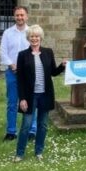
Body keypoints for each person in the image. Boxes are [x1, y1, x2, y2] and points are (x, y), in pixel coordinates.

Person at [14, 25, 66, 161]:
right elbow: (20, 79)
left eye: (37, 36)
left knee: (42, 125)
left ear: (41, 38)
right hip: (30, 95)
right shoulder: (22, 55)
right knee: (26, 125)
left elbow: (53, 72)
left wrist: (62, 66)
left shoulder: (48, 52)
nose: (34, 39)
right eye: (32, 36)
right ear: (28, 38)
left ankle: (39, 152)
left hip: (45, 94)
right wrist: (22, 98)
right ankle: (19, 153)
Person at [0, 6, 34, 141]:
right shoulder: (8, 33)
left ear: (27, 16)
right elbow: (3, 51)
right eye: (17, 15)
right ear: (14, 17)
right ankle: (11, 131)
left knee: (31, 101)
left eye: (22, 15)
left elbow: (35, 49)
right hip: (12, 72)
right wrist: (11, 64)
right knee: (12, 102)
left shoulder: (31, 32)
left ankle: (32, 129)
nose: (20, 17)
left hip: (28, 73)